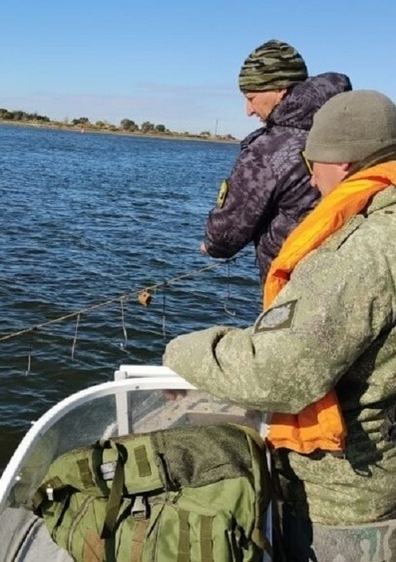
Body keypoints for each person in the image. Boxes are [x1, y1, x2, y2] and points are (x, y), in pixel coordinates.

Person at [164, 89, 396, 560]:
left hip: (346, 503)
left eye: (312, 165)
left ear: (345, 165)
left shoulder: (362, 253)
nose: (311, 180)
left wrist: (182, 351)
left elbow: (275, 373)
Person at [201, 39, 351, 284]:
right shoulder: (355, 123)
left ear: (280, 89)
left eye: (251, 97)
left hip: (297, 286)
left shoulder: (268, 149)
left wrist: (211, 245)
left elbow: (223, 238)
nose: (248, 111)